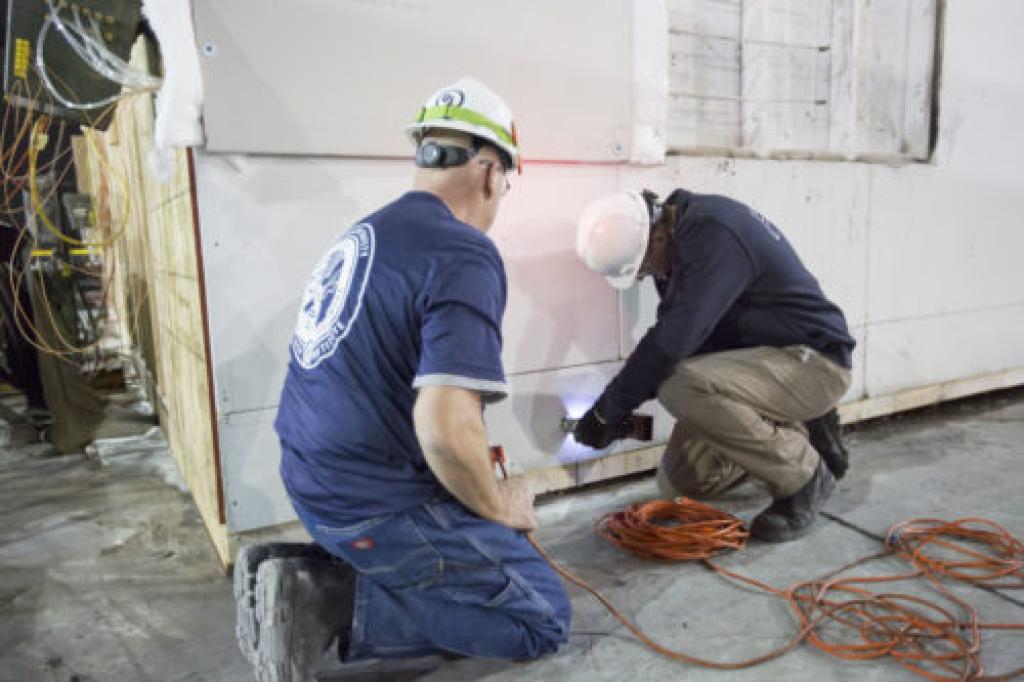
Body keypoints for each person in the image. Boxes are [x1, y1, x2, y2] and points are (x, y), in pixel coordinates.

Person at [235, 77, 571, 681]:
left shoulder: (363, 235)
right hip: (375, 506)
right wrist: (499, 505)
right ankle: (323, 601)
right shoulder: (463, 251)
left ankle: (314, 570)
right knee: (541, 618)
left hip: (312, 486)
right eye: (506, 185)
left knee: (492, 558)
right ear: (492, 173)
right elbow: (444, 429)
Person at [573, 188, 855, 543]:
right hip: (764, 362)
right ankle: (803, 427)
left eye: (644, 266)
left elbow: (670, 343)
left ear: (657, 235)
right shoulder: (678, 241)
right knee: (680, 482)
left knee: (677, 384)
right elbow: (692, 340)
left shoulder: (714, 237)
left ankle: (803, 476)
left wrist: (606, 412)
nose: (647, 274)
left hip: (813, 362)